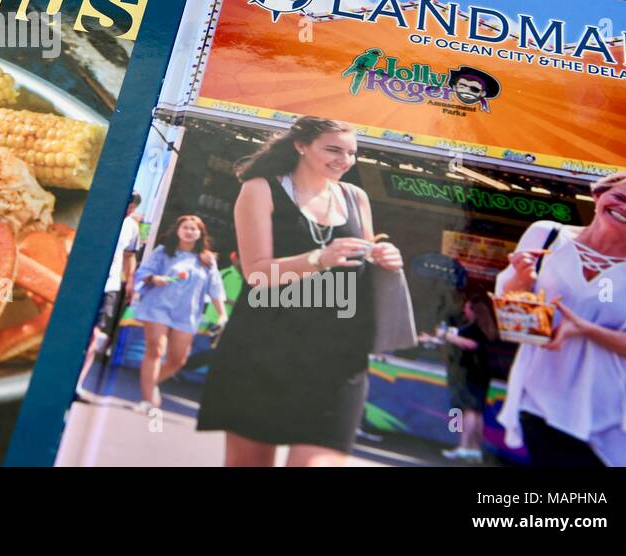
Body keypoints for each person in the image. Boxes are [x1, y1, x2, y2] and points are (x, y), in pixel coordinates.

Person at [196, 115, 404, 466]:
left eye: (352, 152)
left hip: (338, 355)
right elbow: (256, 275)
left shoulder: (356, 198)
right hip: (264, 347)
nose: (345, 159)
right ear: (301, 146)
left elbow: (361, 264)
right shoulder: (261, 188)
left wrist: (386, 258)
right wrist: (318, 259)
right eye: (333, 149)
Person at [494, 172, 626, 467]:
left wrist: (583, 329)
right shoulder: (546, 235)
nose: (625, 208)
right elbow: (512, 315)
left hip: (618, 417)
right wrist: (520, 279)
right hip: (542, 397)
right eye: (619, 197)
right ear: (598, 196)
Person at [133, 214, 225, 412]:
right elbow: (143, 272)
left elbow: (215, 288)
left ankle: (150, 381)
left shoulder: (207, 260)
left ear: (200, 234)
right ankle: (149, 400)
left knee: (178, 360)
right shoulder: (163, 252)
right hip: (158, 307)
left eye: (194, 229)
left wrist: (222, 314)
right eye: (186, 227)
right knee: (156, 349)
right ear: (177, 230)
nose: (190, 231)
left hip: (187, 314)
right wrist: (154, 278)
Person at [76, 193, 142, 399]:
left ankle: (77, 384)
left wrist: (130, 282)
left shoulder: (132, 227)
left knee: (97, 336)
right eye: (127, 204)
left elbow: (129, 256)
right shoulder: (99, 213)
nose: (129, 209)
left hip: (111, 285)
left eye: (132, 207)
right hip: (85, 280)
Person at [424, 296, 496, 463]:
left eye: (467, 307)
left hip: (471, 372)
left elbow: (471, 345)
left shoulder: (476, 328)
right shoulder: (484, 327)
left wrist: (448, 336)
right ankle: (474, 449)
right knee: (476, 412)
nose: (464, 310)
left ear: (474, 311)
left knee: (469, 410)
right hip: (479, 373)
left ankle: (464, 447)